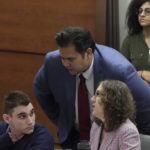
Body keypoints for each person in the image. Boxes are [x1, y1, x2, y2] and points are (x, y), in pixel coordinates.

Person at [33, 26, 150, 150]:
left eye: (70, 59)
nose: (65, 64)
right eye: (62, 58)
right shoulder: (53, 62)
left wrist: (128, 134)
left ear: (88, 53)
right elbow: (40, 90)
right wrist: (63, 120)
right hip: (73, 137)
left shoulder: (118, 70)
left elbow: (147, 108)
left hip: (110, 139)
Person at [90, 80, 141, 150]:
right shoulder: (96, 125)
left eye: (98, 94)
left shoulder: (128, 131)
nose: (92, 99)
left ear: (111, 100)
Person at [120, 0, 150, 86]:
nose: (142, 14)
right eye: (139, 11)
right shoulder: (130, 40)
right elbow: (122, 71)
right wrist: (142, 73)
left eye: (148, 11)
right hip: (136, 89)